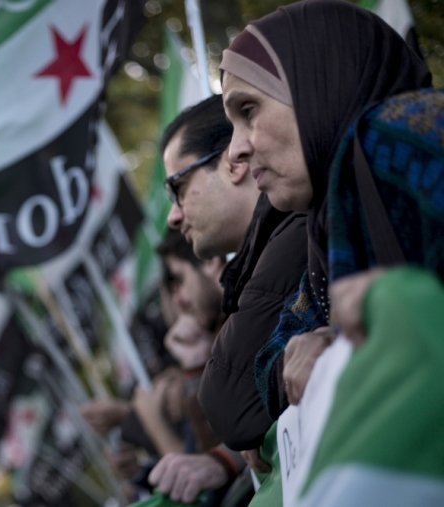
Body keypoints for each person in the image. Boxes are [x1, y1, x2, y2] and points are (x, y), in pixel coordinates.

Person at [221, 0, 431, 411]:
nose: (235, 151)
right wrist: (322, 340)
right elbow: (269, 366)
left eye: (249, 110)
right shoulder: (328, 225)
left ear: (321, 83)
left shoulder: (402, 134)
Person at [148, 93, 308, 503]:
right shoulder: (268, 248)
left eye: (178, 188)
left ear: (233, 162)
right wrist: (227, 458)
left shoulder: (301, 227)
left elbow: (233, 410)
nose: (174, 215)